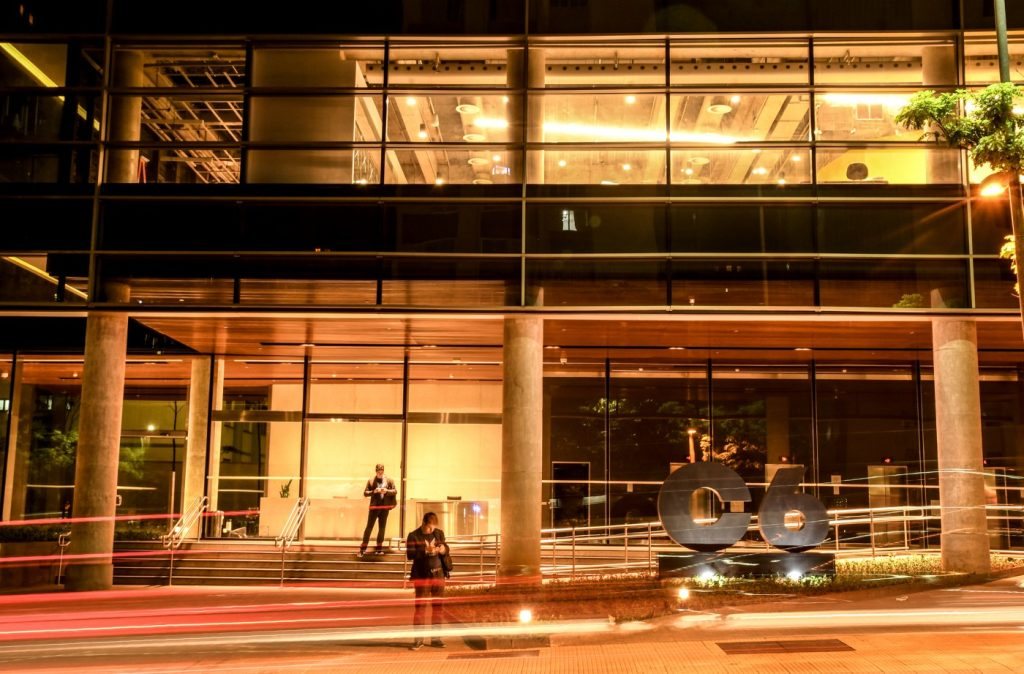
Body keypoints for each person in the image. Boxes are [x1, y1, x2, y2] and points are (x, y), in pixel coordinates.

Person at [406, 511, 449, 650]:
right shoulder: (414, 535)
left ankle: (436, 638)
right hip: (422, 576)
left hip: (438, 575)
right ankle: (418, 639)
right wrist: (425, 551)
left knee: (438, 608)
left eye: (433, 528)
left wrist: (443, 549)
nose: (431, 530)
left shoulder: (439, 533)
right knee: (420, 609)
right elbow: (410, 554)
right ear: (423, 523)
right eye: (429, 527)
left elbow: (446, 548)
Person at [358, 464, 397, 557]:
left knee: (382, 528)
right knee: (369, 528)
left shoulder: (389, 480)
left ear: (383, 471)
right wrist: (373, 491)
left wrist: (386, 491)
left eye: (381, 470)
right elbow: (365, 493)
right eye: (378, 470)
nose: (380, 472)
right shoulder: (371, 481)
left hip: (384, 508)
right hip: (374, 508)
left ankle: (379, 549)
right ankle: (363, 549)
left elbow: (395, 491)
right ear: (376, 471)